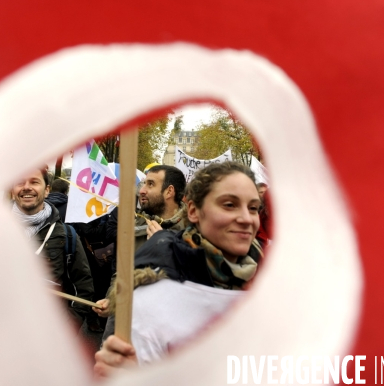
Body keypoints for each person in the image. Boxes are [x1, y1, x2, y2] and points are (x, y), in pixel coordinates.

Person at [93, 162, 263, 378]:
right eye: (229, 205)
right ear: (193, 211)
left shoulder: (279, 285)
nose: (246, 219)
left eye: (253, 208)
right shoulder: (152, 291)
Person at [94, 165, 188, 339]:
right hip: (124, 329)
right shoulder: (137, 223)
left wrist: (164, 244)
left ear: (169, 191)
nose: (142, 190)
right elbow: (122, 272)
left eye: (150, 184)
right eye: (144, 184)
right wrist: (111, 300)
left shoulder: (192, 231)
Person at [11, 167, 95, 331]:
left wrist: (68, 328)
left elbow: (83, 287)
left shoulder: (67, 235)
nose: (27, 187)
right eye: (20, 182)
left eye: (34, 182)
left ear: (47, 189)